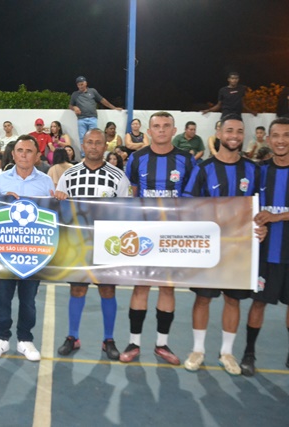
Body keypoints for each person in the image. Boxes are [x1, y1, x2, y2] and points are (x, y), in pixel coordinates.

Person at [182, 115, 264, 375]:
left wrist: (261, 226)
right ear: (218, 133)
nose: (234, 136)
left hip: (239, 249)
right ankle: (198, 350)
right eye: (229, 130)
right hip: (208, 248)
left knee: (233, 300)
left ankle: (227, 353)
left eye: (239, 131)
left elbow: (260, 208)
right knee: (203, 299)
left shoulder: (253, 169)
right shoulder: (203, 168)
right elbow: (188, 204)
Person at [119, 111, 196, 365]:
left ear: (174, 130)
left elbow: (194, 198)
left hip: (174, 236)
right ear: (149, 131)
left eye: (166, 126)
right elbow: (131, 194)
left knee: (167, 287)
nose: (161, 130)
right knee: (141, 286)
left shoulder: (187, 159)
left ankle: (162, 344)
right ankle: (134, 343)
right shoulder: (136, 158)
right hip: (144, 235)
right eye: (156, 126)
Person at [54, 128, 130, 360]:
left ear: (105, 146)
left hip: (108, 244)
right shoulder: (69, 175)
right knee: (77, 289)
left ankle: (108, 339)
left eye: (98, 142)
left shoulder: (118, 176)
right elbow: (60, 207)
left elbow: (127, 210)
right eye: (90, 142)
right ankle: (72, 336)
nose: (94, 146)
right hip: (78, 243)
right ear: (83, 145)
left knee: (107, 290)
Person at [0, 135, 55, 361]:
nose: (24, 155)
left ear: (37, 156)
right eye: (20, 150)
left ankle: (25, 339)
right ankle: (1, 338)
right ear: (13, 154)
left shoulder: (46, 182)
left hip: (33, 253)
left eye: (29, 151)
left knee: (28, 300)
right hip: (5, 250)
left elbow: (53, 215)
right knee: (2, 298)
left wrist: (61, 199)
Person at [240, 117, 289, 376]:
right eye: (276, 135)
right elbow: (245, 206)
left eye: (286, 135)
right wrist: (255, 224)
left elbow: (272, 214)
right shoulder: (258, 171)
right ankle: (249, 353)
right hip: (265, 253)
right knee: (258, 303)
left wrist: (276, 217)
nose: (281, 141)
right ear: (268, 140)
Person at [69, 76, 122, 155]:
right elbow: (70, 105)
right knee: (82, 138)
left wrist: (113, 108)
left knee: (94, 137)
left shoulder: (92, 91)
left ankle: (93, 154)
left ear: (86, 83)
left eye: (82, 84)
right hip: (81, 119)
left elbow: (102, 100)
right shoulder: (75, 94)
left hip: (92, 119)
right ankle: (84, 156)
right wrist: (74, 107)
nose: (81, 86)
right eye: (79, 85)